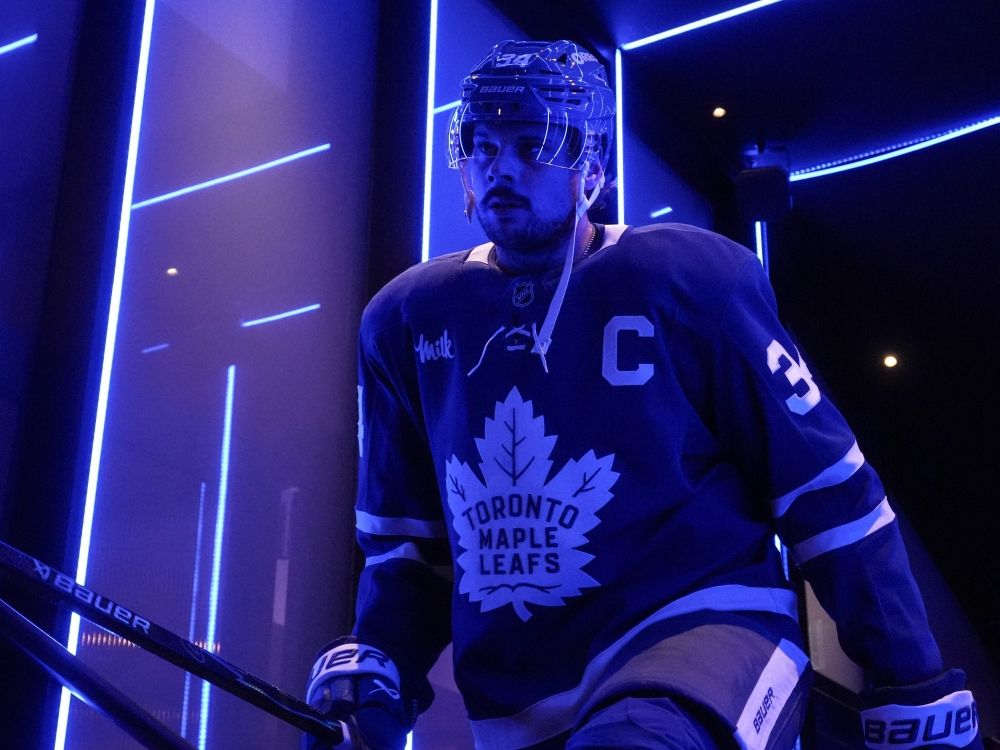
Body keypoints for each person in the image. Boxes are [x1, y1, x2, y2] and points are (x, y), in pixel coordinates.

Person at [302, 40, 981, 750]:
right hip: (518, 692)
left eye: (534, 144)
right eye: (482, 144)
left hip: (707, 639)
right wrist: (380, 666)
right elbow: (409, 548)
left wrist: (912, 678)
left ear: (592, 168)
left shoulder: (694, 279)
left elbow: (829, 496)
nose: (499, 166)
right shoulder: (406, 320)